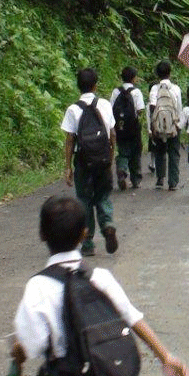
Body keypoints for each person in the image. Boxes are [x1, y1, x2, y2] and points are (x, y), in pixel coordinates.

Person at [10, 196, 189, 376]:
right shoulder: (100, 277)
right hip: (107, 375)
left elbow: (32, 342)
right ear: (84, 234)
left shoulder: (38, 286)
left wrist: (17, 360)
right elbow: (132, 317)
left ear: (41, 234)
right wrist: (165, 356)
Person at [61, 68, 117, 257]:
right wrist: (111, 156)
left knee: (84, 200)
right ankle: (108, 225)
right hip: (102, 160)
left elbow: (70, 139)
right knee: (103, 196)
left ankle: (87, 244)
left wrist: (68, 167)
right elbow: (112, 134)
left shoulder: (73, 109)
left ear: (78, 86)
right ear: (95, 85)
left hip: (83, 163)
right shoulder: (105, 105)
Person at [148, 60, 182, 190]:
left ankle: (160, 179)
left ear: (157, 74)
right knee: (174, 152)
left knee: (160, 151)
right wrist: (178, 124)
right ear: (170, 73)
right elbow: (178, 108)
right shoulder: (176, 89)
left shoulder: (154, 89)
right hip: (173, 124)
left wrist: (153, 125)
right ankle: (173, 182)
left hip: (158, 125)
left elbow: (152, 107)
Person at [110, 66, 144, 191]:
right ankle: (136, 180)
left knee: (123, 151)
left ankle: (122, 169)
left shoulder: (116, 92)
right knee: (135, 152)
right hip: (133, 127)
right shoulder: (136, 92)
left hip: (119, 127)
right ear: (134, 78)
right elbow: (140, 110)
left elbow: (110, 108)